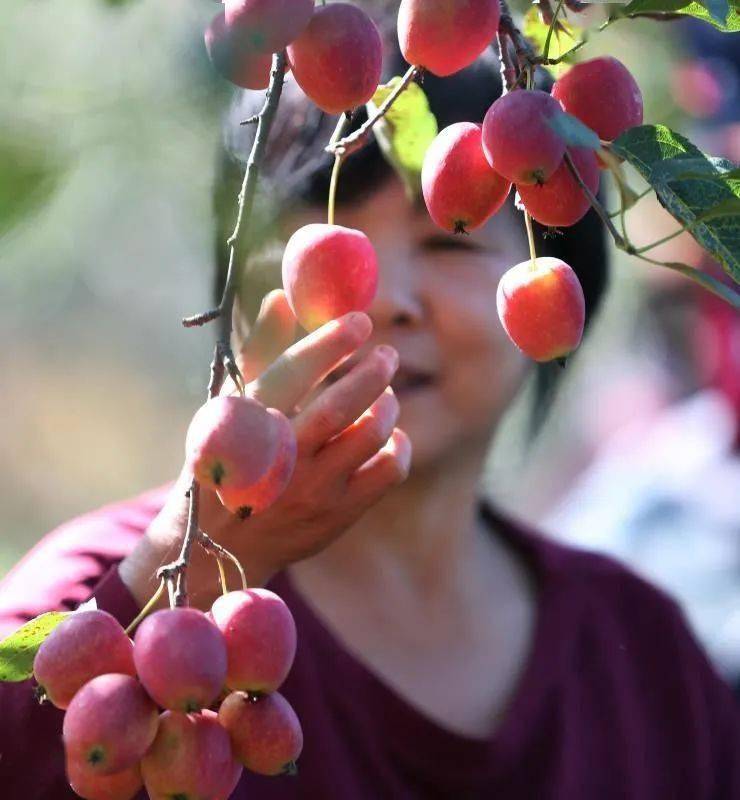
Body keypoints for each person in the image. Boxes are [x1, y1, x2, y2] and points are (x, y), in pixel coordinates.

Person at [0, 28, 737, 800]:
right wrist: (176, 576)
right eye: (322, 241)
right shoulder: (98, 591)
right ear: (239, 301)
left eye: (449, 242)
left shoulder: (647, 667)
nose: (386, 298)